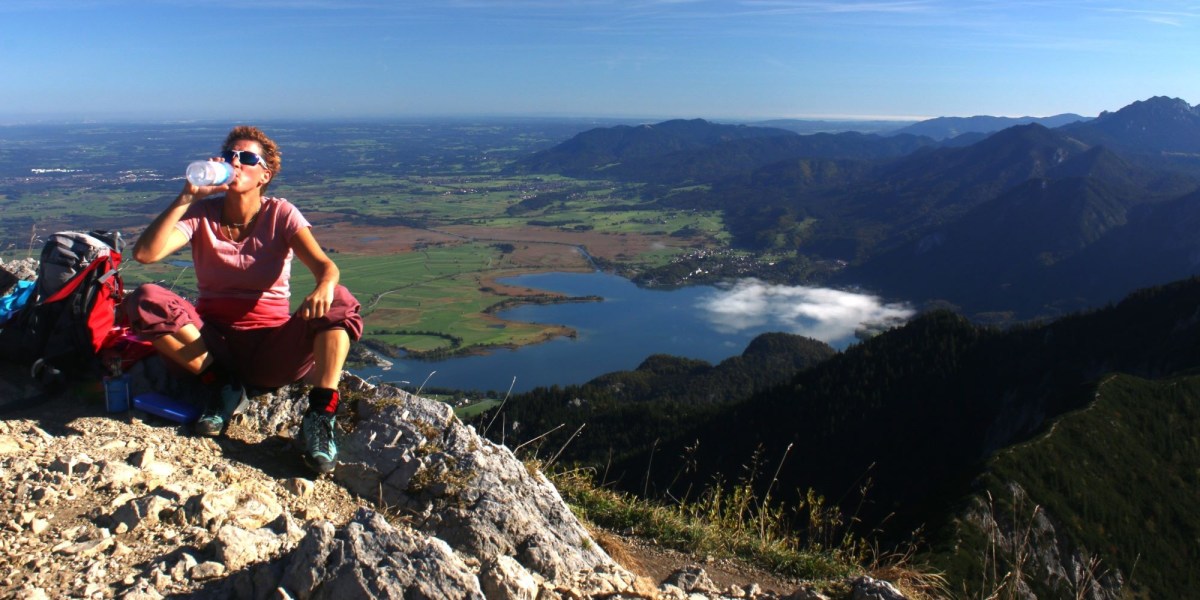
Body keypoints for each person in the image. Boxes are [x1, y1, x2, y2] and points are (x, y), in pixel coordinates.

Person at [125, 125, 363, 474]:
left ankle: (319, 417)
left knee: (340, 300)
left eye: (247, 158)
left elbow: (326, 268)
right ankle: (223, 386)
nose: (235, 163)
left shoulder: (281, 214)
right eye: (229, 156)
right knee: (145, 298)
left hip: (271, 349)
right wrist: (187, 197)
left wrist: (324, 285)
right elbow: (146, 254)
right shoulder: (200, 213)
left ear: (264, 174)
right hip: (210, 348)